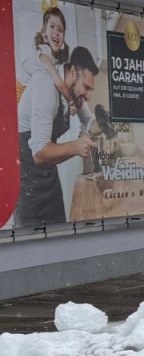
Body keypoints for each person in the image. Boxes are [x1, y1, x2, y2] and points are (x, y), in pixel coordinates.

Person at [17, 46, 98, 227]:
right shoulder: (45, 85)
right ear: (72, 72)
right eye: (87, 87)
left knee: (59, 231)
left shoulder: (73, 93)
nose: (89, 96)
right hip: (27, 178)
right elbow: (38, 153)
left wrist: (109, 121)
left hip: (49, 175)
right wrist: (76, 147)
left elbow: (90, 122)